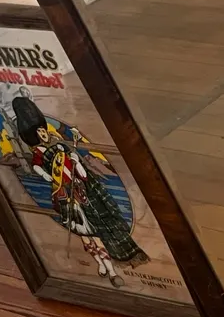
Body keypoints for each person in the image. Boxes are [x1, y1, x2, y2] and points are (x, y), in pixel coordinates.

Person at [11, 95, 147, 286]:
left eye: (43, 130)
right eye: (38, 132)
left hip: (82, 191)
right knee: (84, 236)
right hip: (65, 195)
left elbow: (80, 170)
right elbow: (37, 167)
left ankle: (111, 271)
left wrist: (77, 162)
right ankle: (99, 263)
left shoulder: (60, 144)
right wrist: (46, 175)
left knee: (95, 234)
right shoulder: (39, 153)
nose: (42, 134)